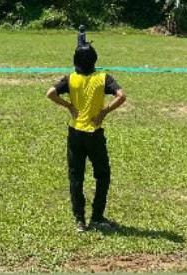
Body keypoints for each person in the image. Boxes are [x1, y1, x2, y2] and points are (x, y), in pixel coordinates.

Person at [46, 43, 127, 233]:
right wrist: (104, 111)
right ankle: (97, 217)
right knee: (102, 175)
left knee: (76, 176)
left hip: (75, 132)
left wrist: (69, 106)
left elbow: (50, 93)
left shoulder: (70, 79)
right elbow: (122, 96)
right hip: (94, 133)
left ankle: (80, 220)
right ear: (95, 59)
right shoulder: (103, 78)